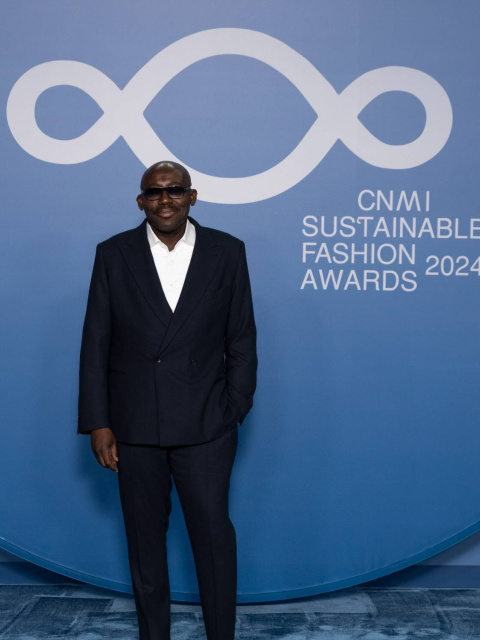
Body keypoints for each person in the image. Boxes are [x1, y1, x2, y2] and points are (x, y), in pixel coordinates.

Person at [77, 160, 257, 640]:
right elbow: (96, 341)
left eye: (175, 190)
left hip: (207, 424)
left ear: (192, 196)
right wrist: (98, 422)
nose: (165, 199)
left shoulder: (227, 251)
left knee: (213, 540)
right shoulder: (113, 253)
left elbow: (241, 338)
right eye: (154, 192)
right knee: (144, 545)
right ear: (141, 201)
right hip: (134, 425)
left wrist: (232, 409)